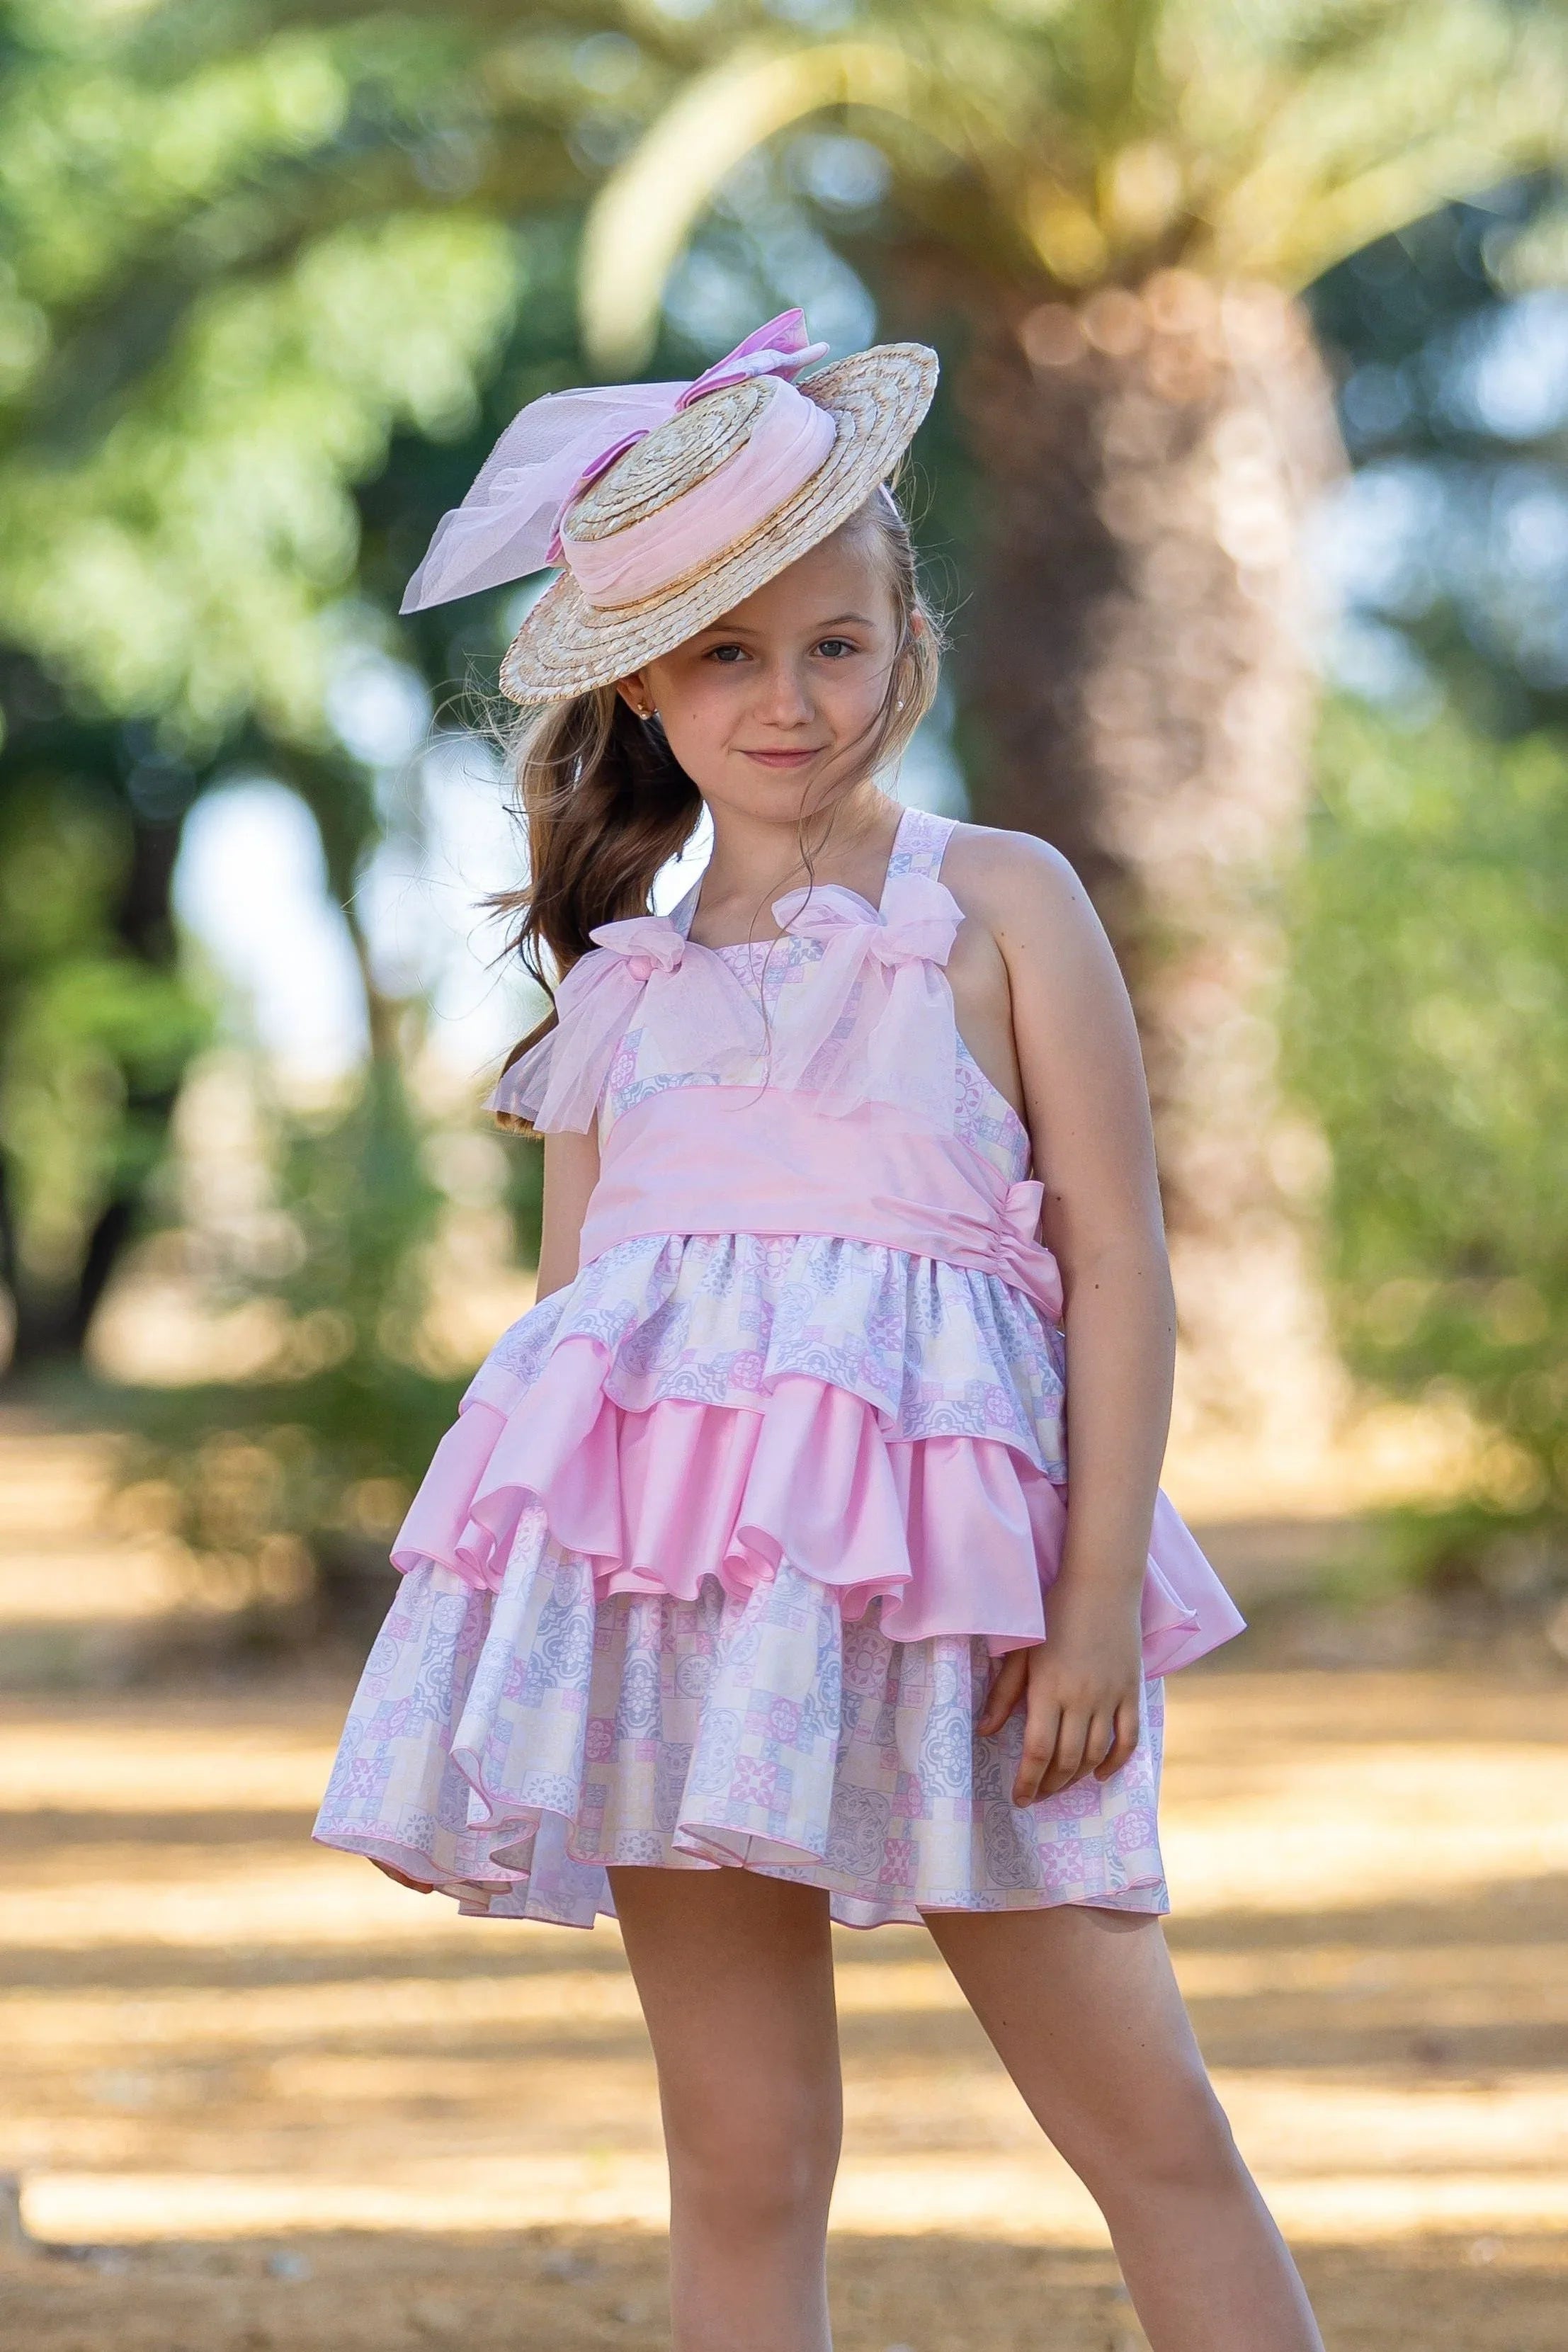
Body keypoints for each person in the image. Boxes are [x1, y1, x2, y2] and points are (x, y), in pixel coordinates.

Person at [314, 309, 1322, 2352]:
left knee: (1147, 2116)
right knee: (744, 2154)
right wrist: (505, 1687)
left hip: (974, 1621)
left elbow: (1120, 1265)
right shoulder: (620, 985)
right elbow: (570, 1343)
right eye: (727, 655)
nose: (789, 700)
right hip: (688, 1630)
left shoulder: (1006, 900)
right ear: (647, 687)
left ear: (907, 642)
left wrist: (1099, 1591)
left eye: (834, 644)